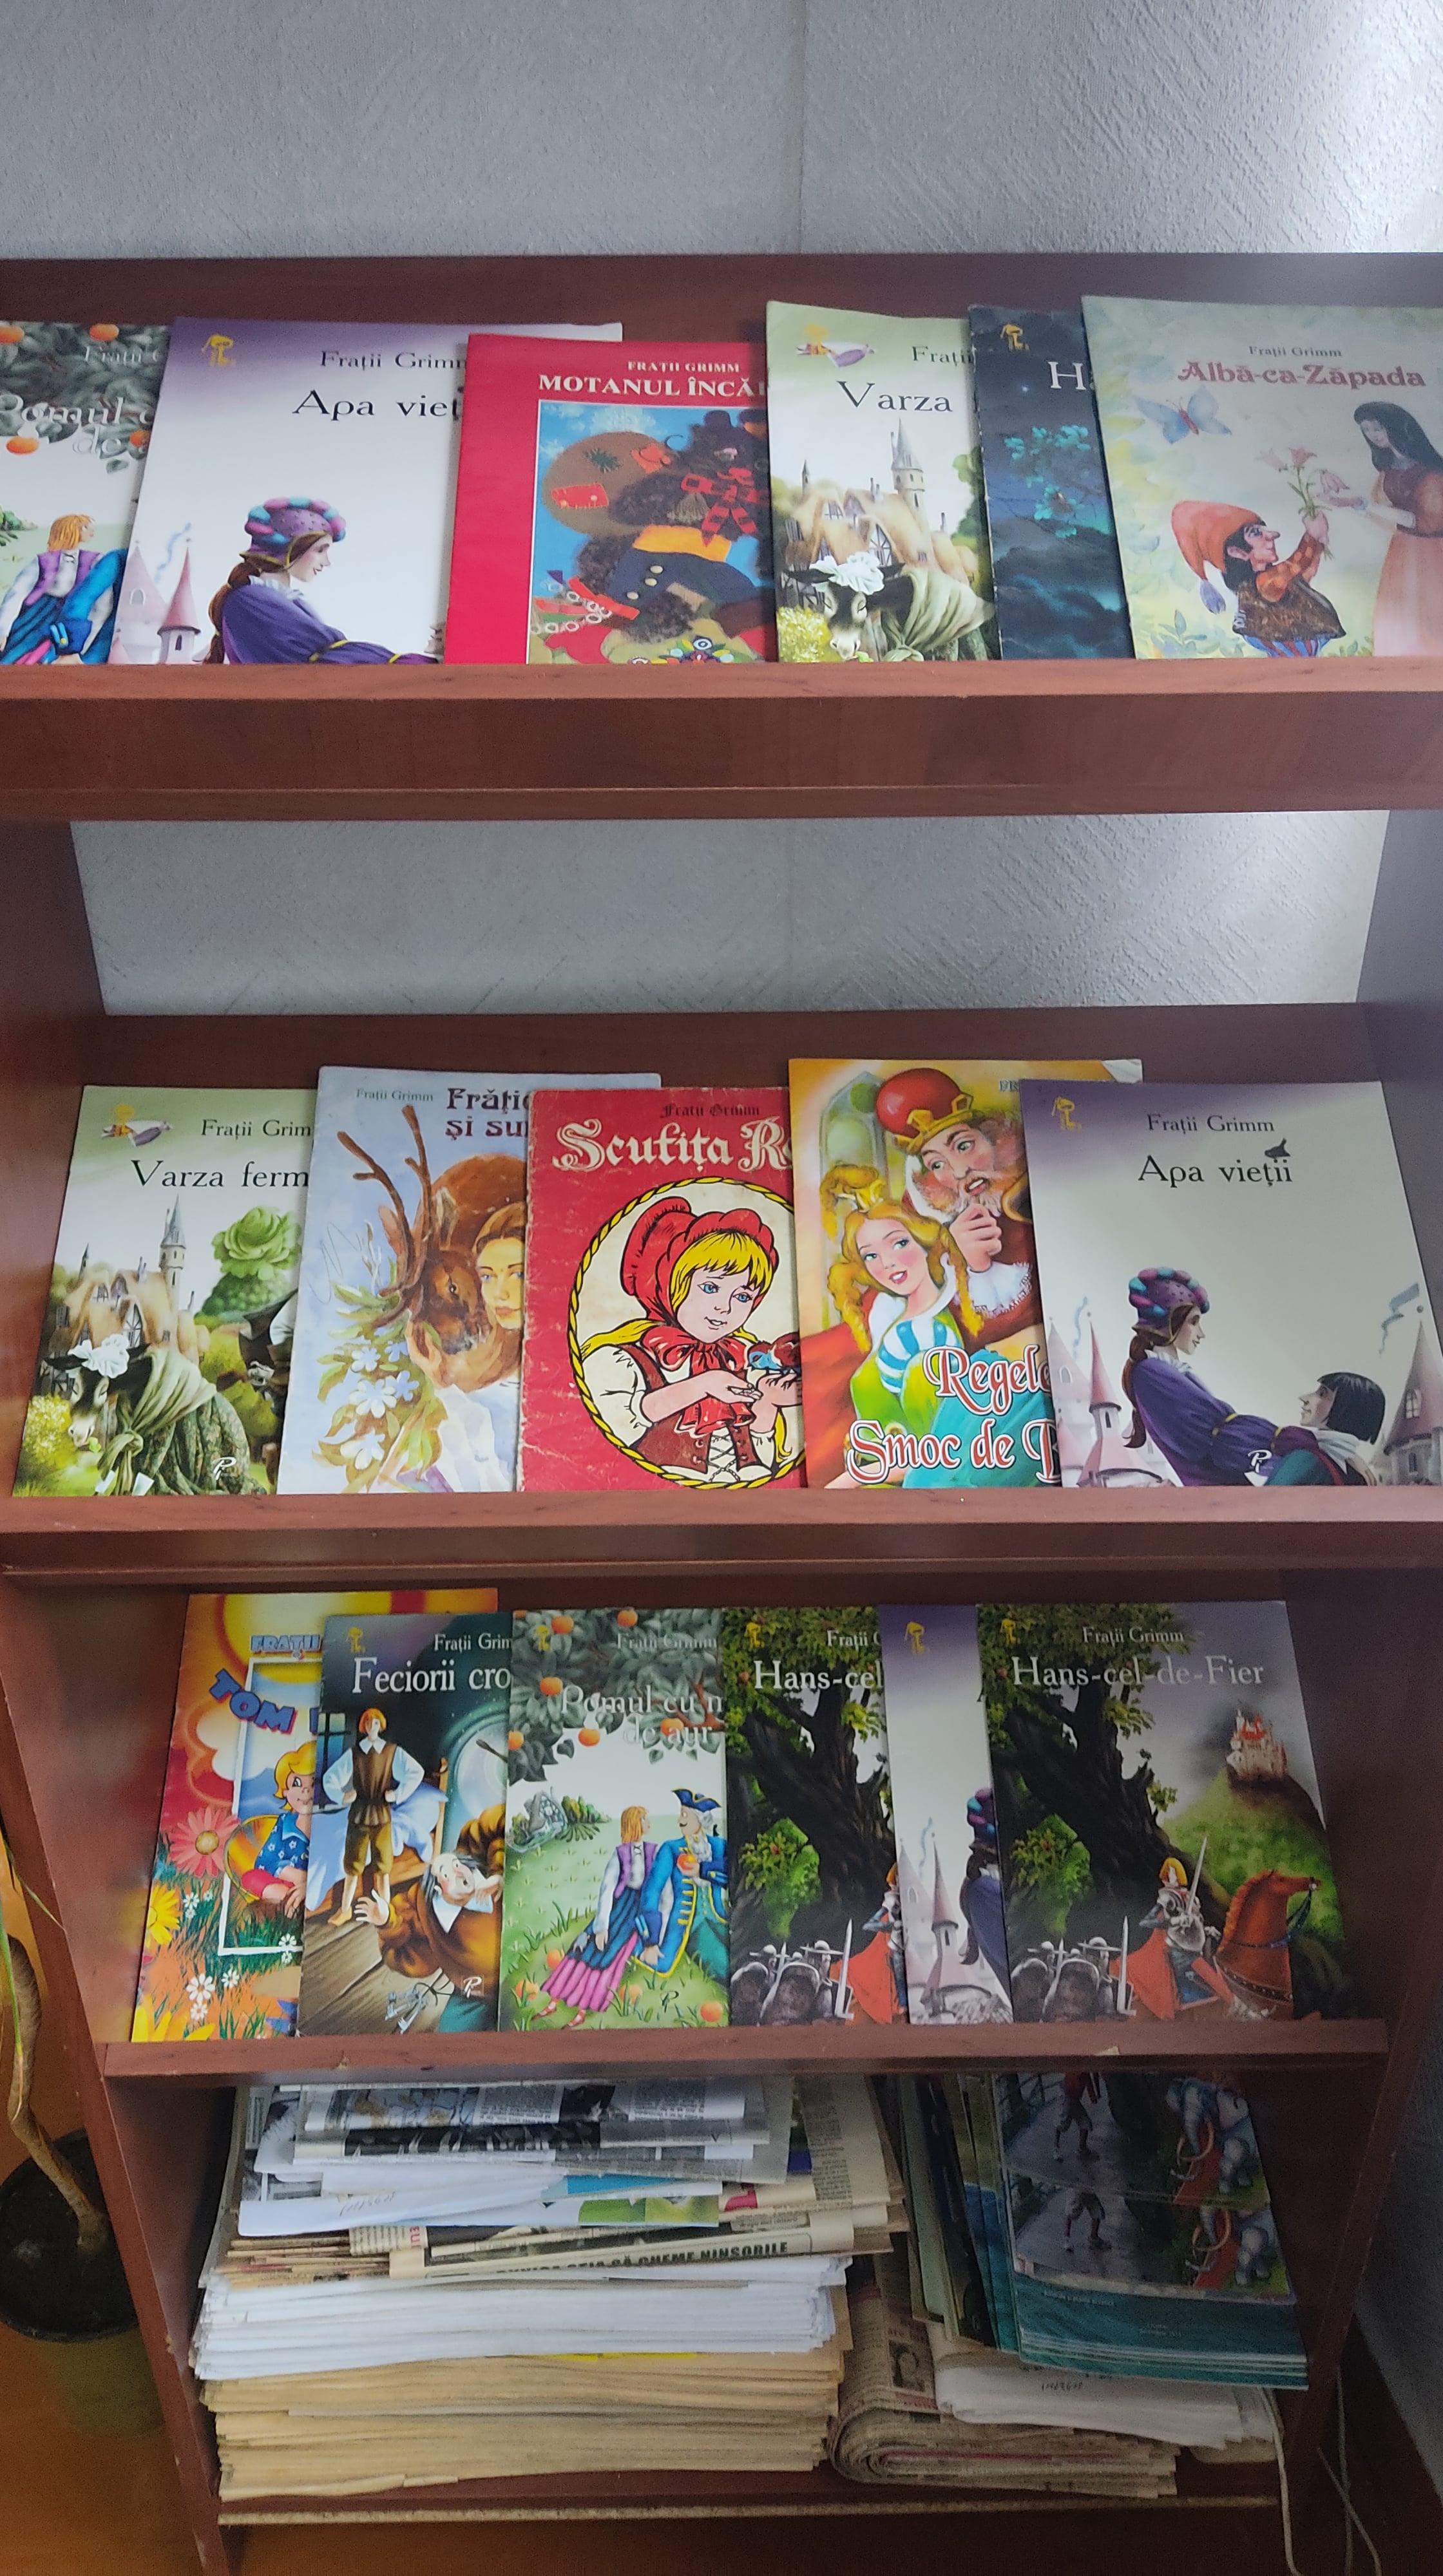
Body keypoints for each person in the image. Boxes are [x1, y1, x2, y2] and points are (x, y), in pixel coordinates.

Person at [579, 1195, 799, 1485]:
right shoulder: (621, 1360)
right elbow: (614, 1434)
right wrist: (702, 1385)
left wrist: (768, 1401)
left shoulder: (742, 1357)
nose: (725, 1307)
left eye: (743, 1296)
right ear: (669, 1283)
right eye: (710, 1288)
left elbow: (759, 1455)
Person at [878, 1068, 1042, 1352]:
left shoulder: (1037, 1179)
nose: (959, 1171)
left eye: (964, 1146)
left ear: (993, 1137)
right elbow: (957, 1340)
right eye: (937, 1164)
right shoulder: (932, 1226)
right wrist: (972, 1266)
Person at [823, 1171, 961, 1481]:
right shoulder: (887, 1318)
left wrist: (854, 1479)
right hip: (880, 1487)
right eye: (871, 1255)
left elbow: (943, 1453)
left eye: (899, 1243)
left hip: (934, 1486)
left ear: (923, 1241)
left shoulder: (939, 1336)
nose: (886, 1263)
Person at [205, 497, 434, 664]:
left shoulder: (275, 599)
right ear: (291, 550)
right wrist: (411, 664)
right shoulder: (251, 601)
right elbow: (321, 661)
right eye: (321, 550)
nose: (327, 562)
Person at [1122, 1269, 1277, 1484]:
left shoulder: (1172, 1372)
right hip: (1214, 1492)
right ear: (1171, 1323)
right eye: (1194, 1322)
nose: (1201, 1334)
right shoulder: (1152, 1374)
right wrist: (1277, 1444)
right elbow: (1209, 1435)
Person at [1171, 498, 1344, 656]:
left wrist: (1318, 545)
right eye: (1256, 533)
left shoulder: (1274, 582)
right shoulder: (1265, 583)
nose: (1272, 535)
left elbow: (1303, 576)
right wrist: (1311, 536)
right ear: (1237, 552)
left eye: (1264, 530)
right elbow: (1295, 566)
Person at [534, 1803, 656, 2023]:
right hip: (618, 1907)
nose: (649, 1823)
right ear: (634, 1824)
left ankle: (582, 2010)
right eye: (644, 1819)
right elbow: (607, 1889)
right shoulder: (620, 1854)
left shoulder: (654, 1851)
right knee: (587, 1949)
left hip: (637, 1911)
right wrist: (601, 1926)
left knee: (612, 1956)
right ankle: (554, 2001)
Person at [322, 1707, 423, 1927]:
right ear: (364, 1726)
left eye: (376, 1723)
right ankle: (345, 1909)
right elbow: (330, 1778)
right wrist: (342, 1796)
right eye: (368, 1723)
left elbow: (416, 1772)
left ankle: (384, 1911)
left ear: (381, 1726)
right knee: (352, 1865)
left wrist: (397, 1794)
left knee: (383, 1867)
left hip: (382, 1815)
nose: (372, 1727)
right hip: (359, 1814)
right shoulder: (355, 1753)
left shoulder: (392, 1752)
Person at [1354, 403, 1443, 654]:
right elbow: (1382, 512)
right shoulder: (1388, 471)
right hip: (1402, 551)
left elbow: (1426, 522)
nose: (1373, 435)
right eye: (1367, 430)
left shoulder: (1432, 474)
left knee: (1431, 615)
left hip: (1432, 553)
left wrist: (1365, 506)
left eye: (1378, 428)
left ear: (1397, 427)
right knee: (1398, 616)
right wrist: (1357, 505)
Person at [0, 511, 125, 663]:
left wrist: (84, 643)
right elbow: (17, 593)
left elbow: (103, 605)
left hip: (73, 620)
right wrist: (3, 629)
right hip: (39, 617)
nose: (91, 531)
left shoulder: (97, 560)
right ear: (69, 530)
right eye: (84, 527)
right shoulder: (43, 560)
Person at [637, 1788, 729, 1985]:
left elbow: (731, 1871)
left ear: (700, 1819)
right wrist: (651, 1941)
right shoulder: (671, 1849)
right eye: (681, 1814)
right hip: (691, 1925)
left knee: (744, 1951)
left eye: (685, 1815)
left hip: (719, 1918)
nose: (680, 1820)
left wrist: (702, 1869)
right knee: (724, 1965)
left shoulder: (718, 1846)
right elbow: (652, 1891)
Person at [1266, 1370, 1385, 1485]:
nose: (1304, 1398)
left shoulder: (1305, 1458)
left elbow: (1268, 1497)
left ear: (1348, 1409)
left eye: (1322, 1394)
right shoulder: (1359, 1474)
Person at [237, 1743, 315, 1915]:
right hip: (281, 1884)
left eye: (313, 1783)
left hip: (313, 1885)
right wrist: (288, 1872)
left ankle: (295, 1903)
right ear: (285, 1791)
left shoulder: (325, 1825)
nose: (306, 1790)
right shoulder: (285, 1822)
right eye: (297, 1783)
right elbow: (264, 1862)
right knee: (251, 1878)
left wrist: (308, 1881)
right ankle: (290, 1901)